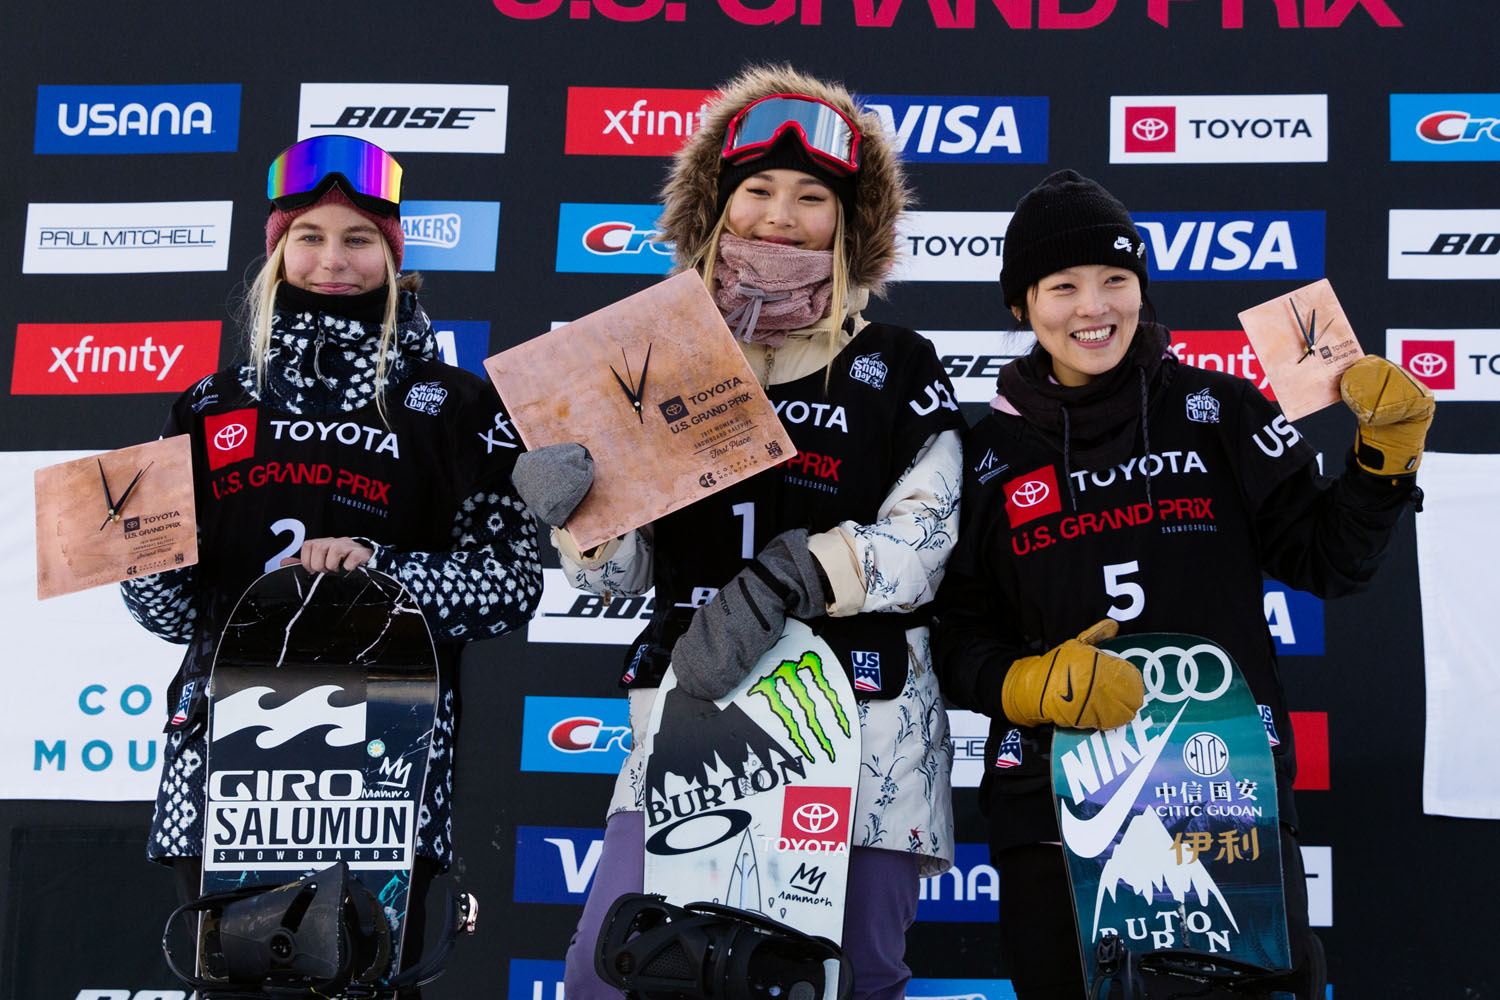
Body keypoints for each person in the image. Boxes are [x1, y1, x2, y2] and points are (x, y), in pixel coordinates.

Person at [511, 64, 965, 1000]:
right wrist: (580, 519)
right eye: (757, 190)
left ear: (852, 221)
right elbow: (615, 579)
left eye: (812, 196)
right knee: (616, 972)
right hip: (694, 713)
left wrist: (797, 574)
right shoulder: (661, 358)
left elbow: (926, 541)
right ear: (716, 206)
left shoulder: (897, 362)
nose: (780, 215)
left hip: (865, 722)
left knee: (851, 978)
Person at [930, 169, 1434, 999]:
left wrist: (1385, 457)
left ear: (1142, 289)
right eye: (1063, 286)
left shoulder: (1221, 410)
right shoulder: (984, 458)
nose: (1094, 307)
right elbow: (952, 638)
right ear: (1021, 306)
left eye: (1116, 280)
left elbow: (1331, 560)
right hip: (1055, 807)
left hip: (1224, 785)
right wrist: (1021, 683)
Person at [120, 135, 543, 982]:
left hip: (384, 759)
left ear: (392, 254)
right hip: (222, 758)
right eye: (309, 237)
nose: (332, 261)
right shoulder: (210, 403)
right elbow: (172, 620)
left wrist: (379, 570)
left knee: (366, 984)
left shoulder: (454, 405)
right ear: (278, 248)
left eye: (358, 239)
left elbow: (510, 586)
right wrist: (145, 564)